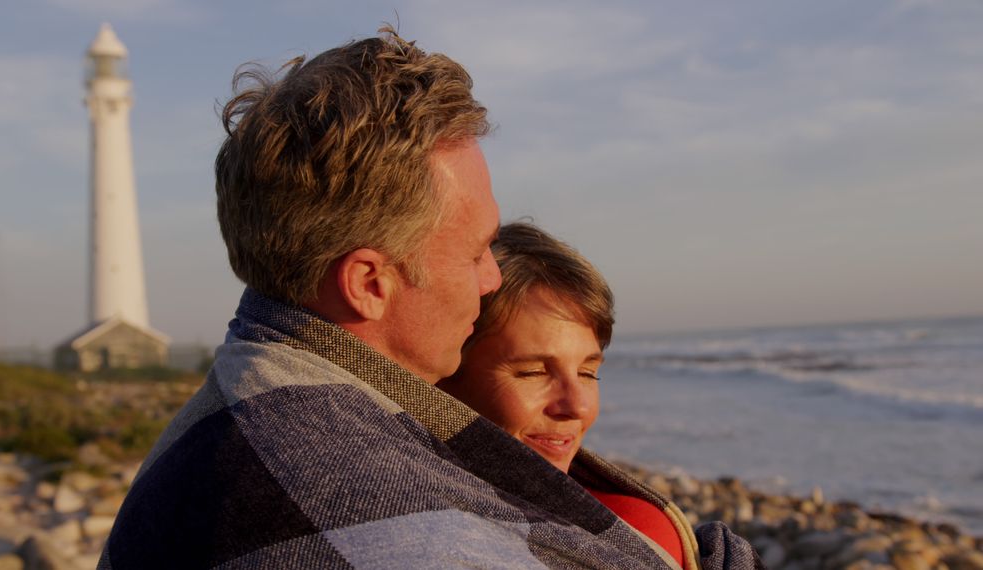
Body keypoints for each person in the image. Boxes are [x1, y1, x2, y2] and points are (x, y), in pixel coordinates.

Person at [101, 28, 763, 569]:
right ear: (370, 283)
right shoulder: (366, 509)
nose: (492, 278)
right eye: (475, 251)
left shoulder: (256, 399)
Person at [439, 222, 704, 568]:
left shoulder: (635, 530)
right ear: (442, 375)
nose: (577, 405)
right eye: (533, 372)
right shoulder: (408, 521)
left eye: (587, 372)